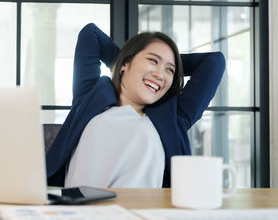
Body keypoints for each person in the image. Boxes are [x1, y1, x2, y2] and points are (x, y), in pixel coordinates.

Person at [46, 23, 225, 188]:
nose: (160, 74)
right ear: (125, 64)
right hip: (80, 211)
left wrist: (163, 63)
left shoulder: (174, 117)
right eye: (153, 61)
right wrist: (125, 60)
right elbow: (90, 34)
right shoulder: (90, 96)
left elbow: (214, 61)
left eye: (170, 70)